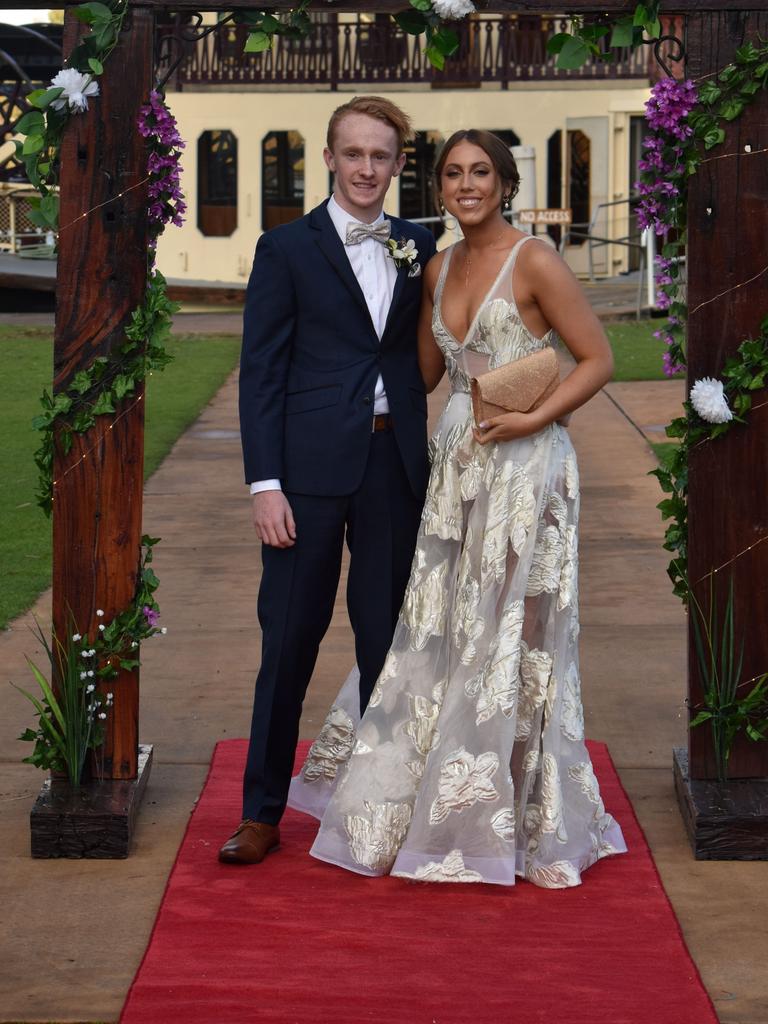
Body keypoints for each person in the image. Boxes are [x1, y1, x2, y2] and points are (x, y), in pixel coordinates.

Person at [292, 129, 628, 887]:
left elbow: (597, 358)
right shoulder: (436, 266)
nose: (467, 184)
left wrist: (533, 419)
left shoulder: (534, 258)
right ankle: (430, 798)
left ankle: (518, 814)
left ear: (504, 183)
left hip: (527, 469)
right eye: (453, 173)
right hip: (455, 463)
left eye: (481, 172)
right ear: (437, 187)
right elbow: (415, 373)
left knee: (516, 634)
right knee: (442, 628)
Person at [218, 97, 437, 865]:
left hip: (393, 466)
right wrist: (264, 484)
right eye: (354, 155)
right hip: (304, 476)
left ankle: (382, 811)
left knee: (386, 646)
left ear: (399, 164)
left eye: (382, 156)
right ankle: (260, 813)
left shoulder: (421, 245)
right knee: (289, 644)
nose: (367, 169)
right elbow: (261, 375)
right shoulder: (285, 248)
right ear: (331, 159)